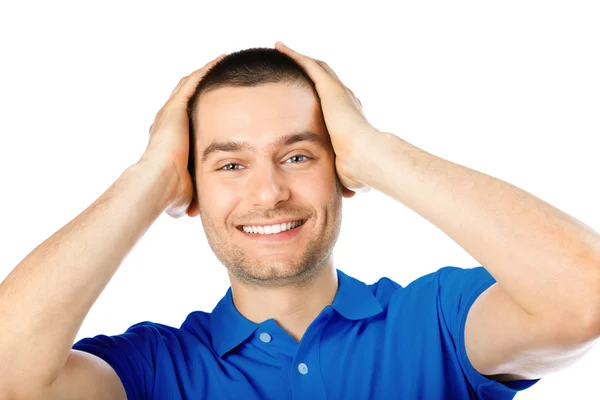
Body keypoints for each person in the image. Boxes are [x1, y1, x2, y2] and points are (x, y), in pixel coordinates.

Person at [1, 42, 599, 400]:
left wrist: (372, 149)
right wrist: (147, 178)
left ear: (341, 171)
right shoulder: (156, 369)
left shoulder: (437, 324)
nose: (268, 191)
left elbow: (585, 296)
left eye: (297, 156)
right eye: (230, 163)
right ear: (189, 192)